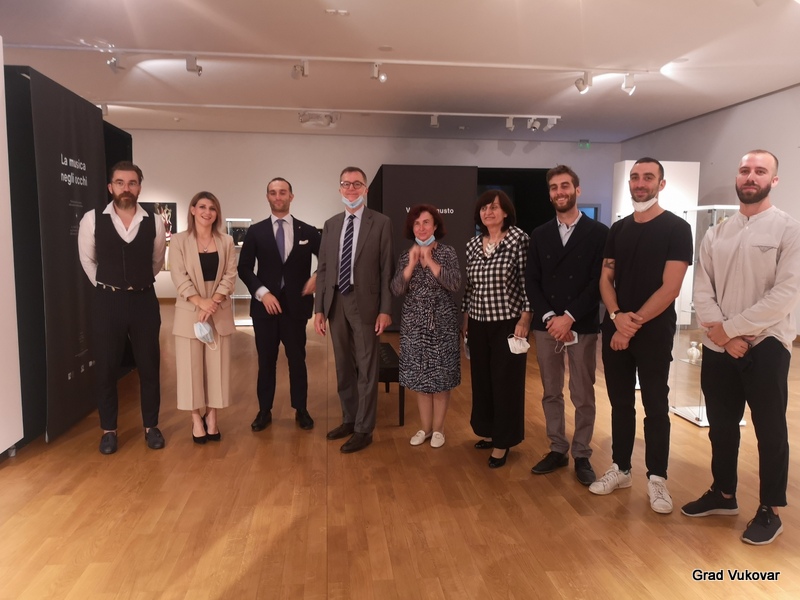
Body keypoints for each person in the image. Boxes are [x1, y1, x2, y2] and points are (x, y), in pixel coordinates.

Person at [682, 150, 800, 545]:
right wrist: (723, 336)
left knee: (770, 430)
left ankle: (771, 509)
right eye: (745, 170)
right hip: (720, 346)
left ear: (773, 180)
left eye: (760, 171)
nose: (751, 177)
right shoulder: (716, 234)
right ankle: (723, 493)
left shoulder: (789, 230)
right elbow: (703, 287)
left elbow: (785, 294)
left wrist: (731, 331)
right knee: (720, 426)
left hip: (767, 344)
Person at [589, 157, 693, 513]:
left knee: (655, 406)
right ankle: (621, 468)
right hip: (616, 327)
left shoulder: (677, 228)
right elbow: (606, 278)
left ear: (661, 184)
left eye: (648, 177)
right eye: (635, 177)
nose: (640, 183)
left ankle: (657, 478)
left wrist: (630, 324)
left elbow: (671, 287)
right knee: (620, 403)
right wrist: (616, 316)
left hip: (653, 331)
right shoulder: (618, 229)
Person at [526, 165, 608, 485]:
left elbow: (598, 281)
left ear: (577, 190)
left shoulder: (599, 233)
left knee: (583, 392)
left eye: (565, 186)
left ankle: (582, 453)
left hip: (581, 324)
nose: (559, 192)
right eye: (554, 188)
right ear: (549, 194)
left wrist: (569, 317)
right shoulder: (540, 234)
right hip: (547, 325)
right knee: (551, 390)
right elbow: (532, 281)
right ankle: (558, 448)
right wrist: (550, 317)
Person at [78, 161, 166, 455]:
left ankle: (151, 426)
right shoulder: (92, 219)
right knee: (106, 368)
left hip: (144, 300)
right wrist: (109, 284)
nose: (126, 188)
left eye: (132, 183)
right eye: (120, 183)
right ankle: (109, 431)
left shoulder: (154, 221)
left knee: (149, 366)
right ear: (110, 187)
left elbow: (156, 261)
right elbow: (88, 260)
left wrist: (137, 283)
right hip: (108, 301)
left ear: (139, 187)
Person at [314, 167, 394, 453]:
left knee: (367, 367)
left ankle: (364, 428)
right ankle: (349, 419)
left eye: (356, 184)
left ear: (365, 189)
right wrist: (319, 309)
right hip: (336, 303)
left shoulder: (381, 223)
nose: (351, 189)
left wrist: (385, 309)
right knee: (343, 366)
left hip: (366, 305)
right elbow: (323, 269)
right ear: (339, 189)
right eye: (346, 184)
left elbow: (386, 269)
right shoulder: (331, 224)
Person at [238, 178, 320, 431]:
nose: (278, 196)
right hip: (265, 309)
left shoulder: (308, 231)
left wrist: (317, 276)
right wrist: (262, 293)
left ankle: (301, 409)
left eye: (282, 192)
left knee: (297, 360)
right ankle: (264, 410)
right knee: (266, 361)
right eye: (273, 192)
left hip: (296, 308)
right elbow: (244, 268)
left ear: (291, 196)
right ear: (267, 197)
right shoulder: (256, 231)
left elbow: (328, 259)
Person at [461, 190, 531, 468]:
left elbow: (527, 283)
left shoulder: (518, 239)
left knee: (506, 383)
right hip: (478, 322)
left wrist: (525, 319)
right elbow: (469, 287)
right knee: (483, 381)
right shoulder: (472, 244)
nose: (488, 212)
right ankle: (489, 431)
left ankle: (504, 442)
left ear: (505, 212)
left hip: (508, 323)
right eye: (483, 208)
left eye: (494, 207)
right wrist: (466, 319)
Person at [391, 204, 461, 448]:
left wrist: (429, 260)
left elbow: (454, 283)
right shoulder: (405, 255)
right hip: (414, 325)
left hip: (442, 324)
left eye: (426, 222)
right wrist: (411, 264)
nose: (421, 228)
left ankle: (439, 430)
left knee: (441, 379)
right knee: (419, 379)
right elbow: (396, 289)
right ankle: (425, 428)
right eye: (417, 223)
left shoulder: (447, 252)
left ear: (435, 226)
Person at [170, 192, 238, 444]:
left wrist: (213, 303)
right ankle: (195, 419)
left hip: (218, 311)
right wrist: (201, 302)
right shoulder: (179, 241)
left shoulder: (226, 241)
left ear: (216, 213)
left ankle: (212, 416)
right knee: (190, 368)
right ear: (192, 210)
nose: (207, 212)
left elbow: (230, 275)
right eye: (202, 207)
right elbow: (179, 276)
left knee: (217, 368)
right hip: (190, 310)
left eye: (212, 208)